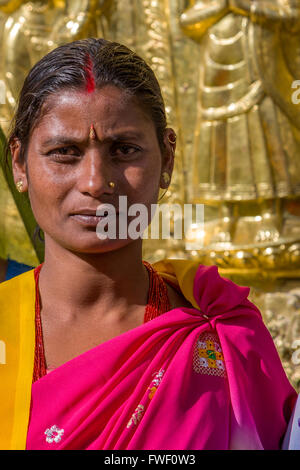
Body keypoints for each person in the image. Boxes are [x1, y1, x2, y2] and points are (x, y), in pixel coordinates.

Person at [0, 38, 297, 450]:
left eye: (124, 150)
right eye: (64, 152)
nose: (93, 183)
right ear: (19, 163)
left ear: (167, 159)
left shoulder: (222, 336)